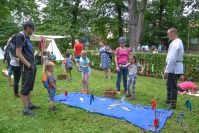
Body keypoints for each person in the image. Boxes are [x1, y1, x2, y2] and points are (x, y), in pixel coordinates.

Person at [16, 21, 40, 116]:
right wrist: (27, 64)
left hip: (32, 65)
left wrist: (32, 64)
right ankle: (25, 109)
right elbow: (18, 53)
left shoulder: (27, 37)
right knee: (25, 87)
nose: (33, 31)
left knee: (29, 86)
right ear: (28, 28)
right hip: (26, 66)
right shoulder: (20, 36)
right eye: (33, 29)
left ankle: (30, 104)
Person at [164, 28, 184, 109]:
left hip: (174, 68)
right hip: (174, 67)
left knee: (172, 86)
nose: (168, 36)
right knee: (169, 84)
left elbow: (172, 58)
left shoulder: (176, 43)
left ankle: (173, 103)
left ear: (173, 33)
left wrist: (167, 70)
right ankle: (169, 99)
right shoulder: (176, 42)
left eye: (168, 34)